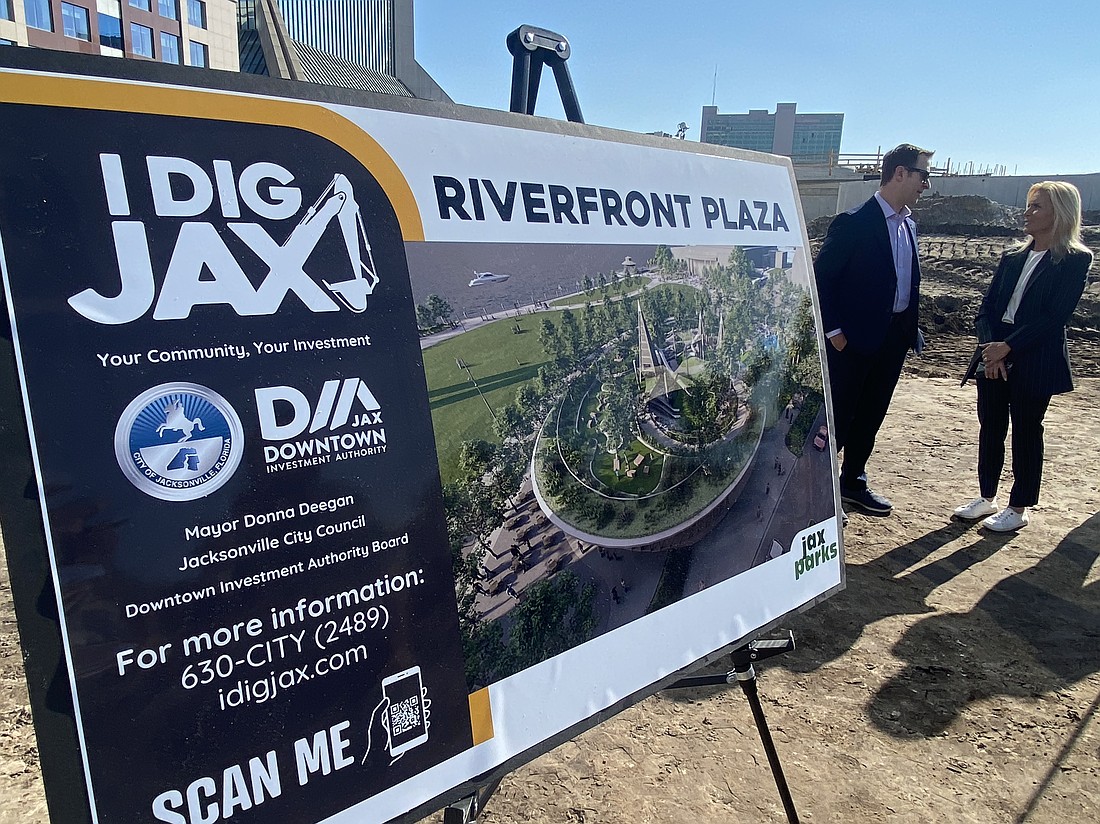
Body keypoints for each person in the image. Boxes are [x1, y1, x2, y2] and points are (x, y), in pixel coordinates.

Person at [954, 182, 1093, 532]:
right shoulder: (1012, 256)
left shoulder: (1075, 260)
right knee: (991, 427)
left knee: (1027, 431)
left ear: (1059, 213)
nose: (1027, 213)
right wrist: (991, 348)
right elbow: (986, 308)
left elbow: (1054, 316)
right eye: (1029, 205)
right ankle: (987, 498)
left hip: (1034, 358)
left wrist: (1009, 347)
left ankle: (1019, 507)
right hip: (993, 355)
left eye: (1037, 207)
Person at [814, 143, 933, 515]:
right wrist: (834, 332)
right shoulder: (854, 223)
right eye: (923, 175)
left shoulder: (909, 225)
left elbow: (906, 283)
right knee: (840, 418)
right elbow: (822, 279)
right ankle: (816, 492)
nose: (926, 185)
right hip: (851, 344)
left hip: (893, 340)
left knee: (872, 415)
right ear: (900, 173)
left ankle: (852, 482)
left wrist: (909, 330)